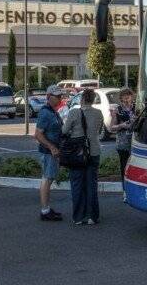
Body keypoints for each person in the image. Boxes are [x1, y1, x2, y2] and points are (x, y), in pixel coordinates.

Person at [62, 87, 104, 225]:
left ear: (81, 99)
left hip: (77, 153)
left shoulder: (74, 112)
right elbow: (99, 130)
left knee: (77, 184)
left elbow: (64, 130)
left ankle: (79, 216)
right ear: (92, 100)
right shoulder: (98, 113)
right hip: (94, 152)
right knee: (91, 184)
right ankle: (93, 216)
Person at [34, 85, 65, 222]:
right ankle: (45, 211)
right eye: (56, 96)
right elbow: (38, 135)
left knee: (48, 178)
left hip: (53, 151)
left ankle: (46, 209)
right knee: (47, 179)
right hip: (48, 153)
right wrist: (51, 147)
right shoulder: (45, 112)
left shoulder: (53, 112)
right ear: (48, 96)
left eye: (60, 96)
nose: (59, 98)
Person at [110, 87, 136, 200]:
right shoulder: (118, 110)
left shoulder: (137, 108)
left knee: (136, 167)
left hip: (135, 142)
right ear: (120, 98)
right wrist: (122, 125)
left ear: (132, 96)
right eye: (124, 96)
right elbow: (112, 128)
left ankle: (135, 191)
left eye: (128, 95)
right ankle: (125, 191)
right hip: (123, 143)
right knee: (124, 167)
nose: (126, 98)